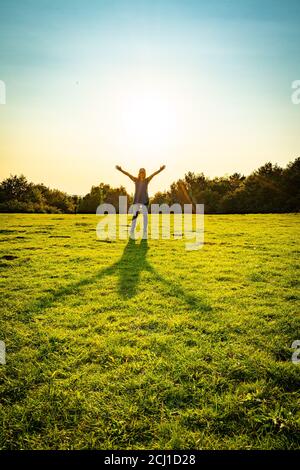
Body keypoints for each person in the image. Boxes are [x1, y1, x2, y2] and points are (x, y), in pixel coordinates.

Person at [116, 165, 166, 238]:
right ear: (139, 173)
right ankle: (132, 231)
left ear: (144, 174)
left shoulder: (147, 180)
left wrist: (160, 170)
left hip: (145, 201)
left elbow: (154, 174)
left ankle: (144, 232)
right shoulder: (136, 180)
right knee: (135, 216)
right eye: (141, 173)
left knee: (145, 217)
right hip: (137, 201)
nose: (142, 174)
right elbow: (128, 174)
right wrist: (121, 170)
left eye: (143, 173)